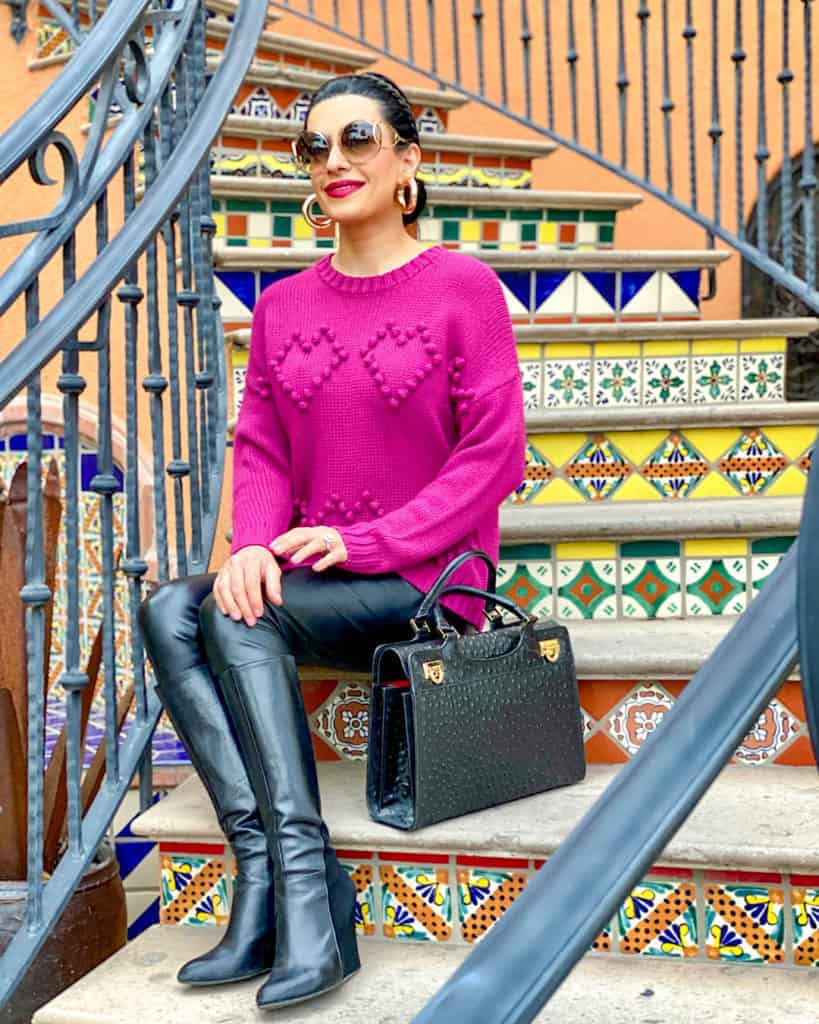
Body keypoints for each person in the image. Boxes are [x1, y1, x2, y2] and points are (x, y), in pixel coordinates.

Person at [137, 70, 526, 1012]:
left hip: (430, 579)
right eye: (314, 148)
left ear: (407, 161)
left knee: (239, 626)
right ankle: (268, 874)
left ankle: (305, 894)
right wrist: (251, 545)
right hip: (317, 570)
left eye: (357, 139)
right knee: (172, 608)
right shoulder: (280, 307)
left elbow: (494, 457)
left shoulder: (462, 289)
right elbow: (262, 444)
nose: (334, 161)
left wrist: (368, 542)